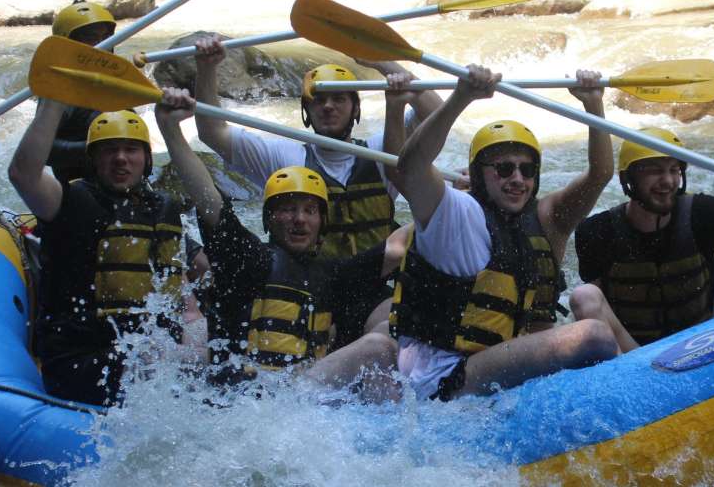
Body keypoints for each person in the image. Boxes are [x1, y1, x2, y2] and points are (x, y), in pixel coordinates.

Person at [387, 65, 619, 401]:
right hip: (447, 377)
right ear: (479, 175)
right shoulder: (457, 213)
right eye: (504, 168)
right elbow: (409, 168)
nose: (517, 179)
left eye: (527, 170)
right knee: (593, 336)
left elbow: (600, 175)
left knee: (590, 312)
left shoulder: (544, 220)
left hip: (491, 365)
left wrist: (593, 104)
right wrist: (461, 97)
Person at [193, 36, 441, 348]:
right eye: (318, 99)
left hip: (370, 285)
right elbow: (211, 131)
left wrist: (384, 63)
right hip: (306, 285)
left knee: (395, 323)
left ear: (355, 108)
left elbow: (439, 115)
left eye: (339, 99)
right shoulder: (286, 156)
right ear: (306, 110)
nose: (328, 106)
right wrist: (207, 69)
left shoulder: (383, 152)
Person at [156, 88, 403, 401]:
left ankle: (384, 444)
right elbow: (208, 200)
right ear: (269, 219)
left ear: (321, 222)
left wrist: (468, 192)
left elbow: (399, 244)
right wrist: (170, 130)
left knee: (379, 347)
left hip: (297, 410)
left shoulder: (334, 275)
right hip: (242, 399)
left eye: (310, 210)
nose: (299, 219)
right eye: (287, 209)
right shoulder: (245, 258)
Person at [9, 103, 185, 406]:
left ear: (146, 159)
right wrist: (53, 102)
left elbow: (181, 286)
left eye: (131, 149)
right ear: (92, 159)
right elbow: (23, 174)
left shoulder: (162, 208)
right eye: (109, 150)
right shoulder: (69, 201)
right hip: (79, 358)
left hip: (140, 353)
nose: (121, 159)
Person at [570, 127, 714, 353]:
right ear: (628, 178)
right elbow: (597, 316)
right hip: (635, 357)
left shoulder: (702, 213)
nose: (668, 181)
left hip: (707, 343)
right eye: (654, 170)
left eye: (674, 170)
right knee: (585, 296)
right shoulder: (597, 231)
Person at [47, 0, 119, 184]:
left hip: (120, 182)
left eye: (106, 36)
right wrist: (97, 149)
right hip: (82, 189)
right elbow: (43, 150)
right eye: (91, 37)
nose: (102, 43)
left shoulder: (115, 81)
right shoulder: (61, 88)